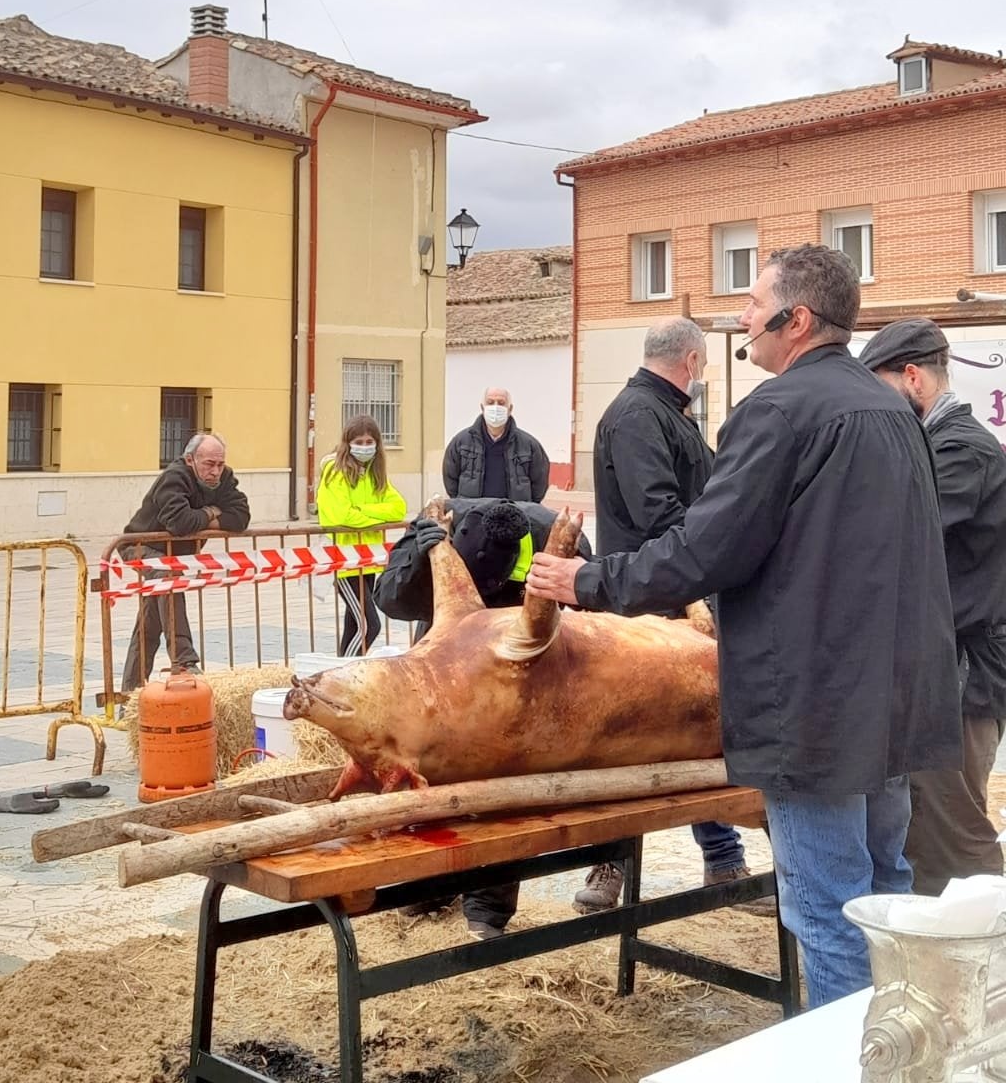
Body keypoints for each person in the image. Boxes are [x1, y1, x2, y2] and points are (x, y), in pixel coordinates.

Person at [528, 244, 962, 1007]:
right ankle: (904, 1050)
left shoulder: (778, 411)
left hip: (818, 711)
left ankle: (852, 1059)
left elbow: (705, 547)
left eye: (754, 307)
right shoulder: (893, 409)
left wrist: (587, 581)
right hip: (895, 700)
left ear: (797, 321)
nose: (741, 320)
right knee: (887, 893)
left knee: (828, 911)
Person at [577, 317, 758, 915]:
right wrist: (710, 551)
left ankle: (723, 859)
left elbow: (707, 489)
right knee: (623, 739)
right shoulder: (637, 416)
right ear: (693, 360)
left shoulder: (672, 414)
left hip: (678, 595)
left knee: (698, 732)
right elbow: (659, 513)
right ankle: (610, 863)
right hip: (641, 605)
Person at [376, 496, 592, 940]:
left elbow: (594, 607)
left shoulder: (553, 531)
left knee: (506, 777)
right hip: (446, 654)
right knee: (434, 771)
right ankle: (431, 882)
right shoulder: (435, 521)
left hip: (518, 668)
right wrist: (423, 550)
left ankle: (487, 905)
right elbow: (388, 598)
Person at [860, 317, 1006, 894]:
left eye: (880, 391)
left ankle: (990, 962)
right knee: (924, 829)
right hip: (945, 667)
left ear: (913, 378)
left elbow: (899, 536)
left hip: (963, 674)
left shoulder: (960, 450)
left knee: (953, 833)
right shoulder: (937, 444)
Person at [120, 432, 250, 692]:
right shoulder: (174, 477)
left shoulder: (224, 479)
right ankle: (184, 660)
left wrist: (200, 516)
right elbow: (180, 523)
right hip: (141, 547)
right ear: (190, 460)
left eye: (219, 464)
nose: (215, 471)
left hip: (174, 556)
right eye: (208, 464)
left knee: (149, 625)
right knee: (168, 579)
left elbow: (241, 517)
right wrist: (212, 512)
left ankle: (129, 697)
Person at [317, 416, 407, 657]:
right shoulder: (334, 472)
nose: (365, 446)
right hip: (343, 563)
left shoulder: (374, 474)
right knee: (369, 625)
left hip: (368, 561)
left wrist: (361, 512)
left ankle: (342, 670)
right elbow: (339, 516)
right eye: (359, 441)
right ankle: (347, 670)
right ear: (348, 443)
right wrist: (374, 516)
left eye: (370, 441)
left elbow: (398, 508)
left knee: (355, 625)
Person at [443, 387, 550, 503]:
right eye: (490, 403)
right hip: (472, 514)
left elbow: (539, 483)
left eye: (501, 403)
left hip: (513, 514)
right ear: (482, 408)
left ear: (510, 409)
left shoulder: (529, 445)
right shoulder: (461, 442)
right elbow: (450, 478)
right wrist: (462, 505)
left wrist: (525, 508)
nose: (495, 407)